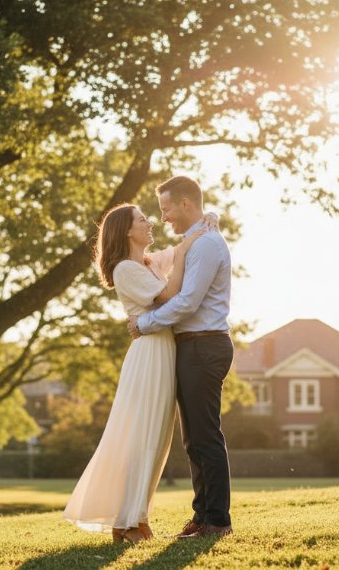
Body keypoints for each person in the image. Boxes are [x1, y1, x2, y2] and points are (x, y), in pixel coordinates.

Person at [62, 202, 218, 543]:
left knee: (156, 438)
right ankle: (128, 521)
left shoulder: (145, 263)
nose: (150, 223)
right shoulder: (125, 270)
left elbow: (173, 254)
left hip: (162, 352)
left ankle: (135, 518)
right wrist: (188, 246)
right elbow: (170, 294)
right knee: (142, 437)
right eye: (142, 219)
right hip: (149, 355)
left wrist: (204, 224)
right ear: (126, 230)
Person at [128, 175, 234, 539]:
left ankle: (217, 520)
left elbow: (187, 302)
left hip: (204, 344)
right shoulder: (195, 242)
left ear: (187, 204)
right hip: (192, 346)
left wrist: (145, 323)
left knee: (205, 435)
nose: (163, 218)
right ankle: (202, 516)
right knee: (194, 438)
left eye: (167, 208)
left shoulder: (205, 246)